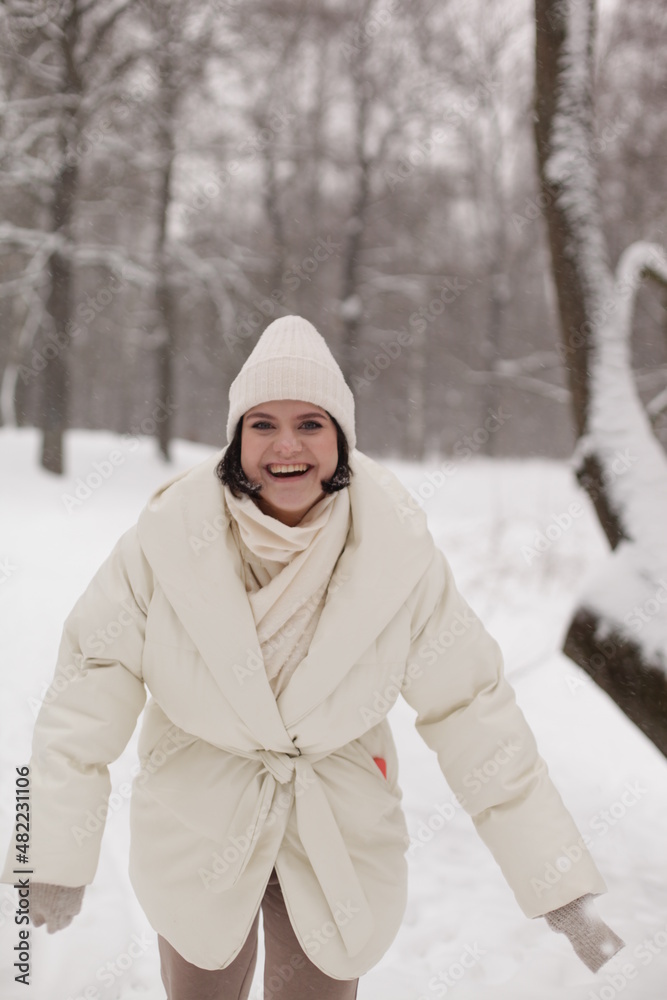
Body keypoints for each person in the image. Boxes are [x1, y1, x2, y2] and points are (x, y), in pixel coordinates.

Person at [2, 316, 625, 998]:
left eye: (310, 424)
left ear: (342, 441)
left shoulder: (396, 550)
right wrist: (49, 851)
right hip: (196, 826)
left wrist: (559, 884)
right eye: (262, 424)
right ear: (236, 440)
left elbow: (473, 712)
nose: (285, 445)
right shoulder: (165, 539)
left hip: (338, 829)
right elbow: (84, 690)